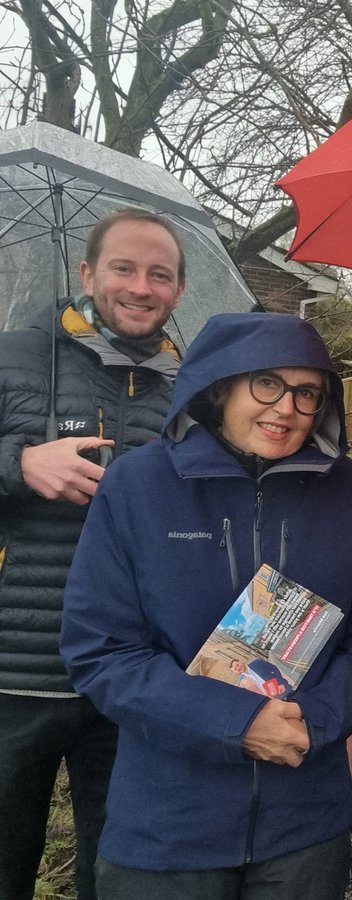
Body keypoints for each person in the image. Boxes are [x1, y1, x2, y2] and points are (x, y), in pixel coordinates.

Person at [59, 312, 352, 899]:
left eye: (307, 393)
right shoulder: (137, 488)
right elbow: (102, 652)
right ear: (220, 385)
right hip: (167, 827)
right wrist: (238, 725)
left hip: (304, 826)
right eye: (266, 384)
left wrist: (315, 721)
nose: (286, 408)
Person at [0, 208, 186, 900]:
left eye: (159, 274)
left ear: (177, 290)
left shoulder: (189, 389)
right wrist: (21, 463)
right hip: (16, 671)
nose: (140, 287)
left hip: (127, 678)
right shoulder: (15, 354)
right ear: (87, 273)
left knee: (116, 873)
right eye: (124, 268)